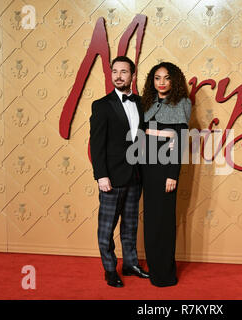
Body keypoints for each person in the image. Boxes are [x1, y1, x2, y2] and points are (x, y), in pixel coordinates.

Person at [89, 56, 149, 288]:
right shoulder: (102, 105)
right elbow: (96, 144)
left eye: (124, 72)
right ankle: (109, 269)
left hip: (136, 175)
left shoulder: (143, 103)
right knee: (106, 227)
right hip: (111, 178)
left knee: (131, 224)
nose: (119, 76)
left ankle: (130, 264)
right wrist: (101, 175)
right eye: (115, 71)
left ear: (132, 76)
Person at [141, 62, 191, 287]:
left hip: (165, 169)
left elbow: (179, 140)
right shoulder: (148, 103)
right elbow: (142, 134)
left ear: (174, 81)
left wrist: (173, 174)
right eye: (157, 78)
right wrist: (157, 133)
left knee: (164, 221)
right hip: (146, 166)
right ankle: (154, 270)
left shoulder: (182, 103)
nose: (161, 82)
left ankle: (165, 274)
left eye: (166, 78)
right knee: (151, 221)